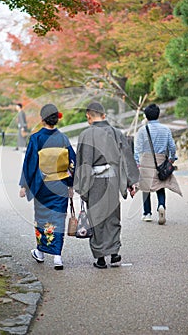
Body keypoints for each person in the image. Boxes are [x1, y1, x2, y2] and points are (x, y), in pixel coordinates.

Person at [74, 102, 139, 269]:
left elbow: (83, 161)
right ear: (104, 115)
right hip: (113, 181)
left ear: (88, 116)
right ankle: (115, 253)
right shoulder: (116, 133)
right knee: (113, 216)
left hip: (94, 181)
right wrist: (132, 182)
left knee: (96, 218)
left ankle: (100, 257)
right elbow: (127, 157)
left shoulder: (86, 135)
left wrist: (82, 186)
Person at [19, 104, 76, 270]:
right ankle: (58, 257)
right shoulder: (63, 139)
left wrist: (24, 185)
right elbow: (72, 162)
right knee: (58, 218)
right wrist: (71, 184)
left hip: (42, 184)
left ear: (42, 119)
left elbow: (30, 163)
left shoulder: (36, 138)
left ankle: (41, 252)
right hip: (61, 183)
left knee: (42, 218)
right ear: (56, 119)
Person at [134, 103, 182, 225]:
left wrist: (137, 162)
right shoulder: (165, 129)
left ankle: (147, 213)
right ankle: (161, 206)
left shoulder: (142, 130)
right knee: (160, 185)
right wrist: (171, 159)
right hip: (161, 161)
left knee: (146, 187)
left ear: (146, 116)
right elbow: (172, 146)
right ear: (158, 115)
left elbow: (137, 148)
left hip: (146, 161)